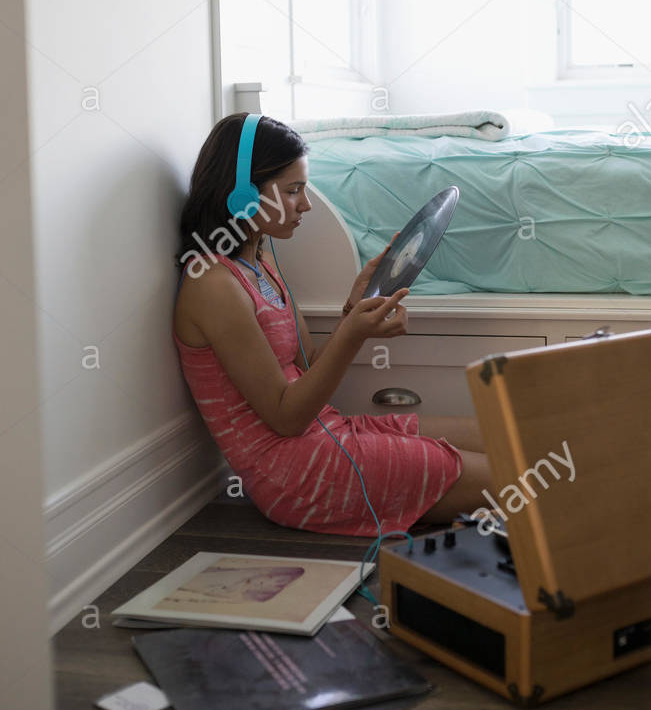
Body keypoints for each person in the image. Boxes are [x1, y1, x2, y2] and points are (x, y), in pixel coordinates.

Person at [172, 113, 494, 538]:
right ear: (243, 197)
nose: (305, 205)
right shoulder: (212, 285)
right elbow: (286, 418)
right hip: (296, 473)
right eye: (292, 191)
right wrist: (353, 334)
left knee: (506, 433)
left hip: (329, 430)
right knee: (523, 477)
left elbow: (305, 372)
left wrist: (352, 311)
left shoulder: (260, 260)